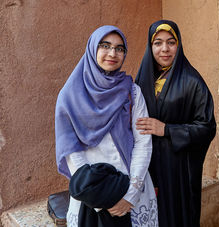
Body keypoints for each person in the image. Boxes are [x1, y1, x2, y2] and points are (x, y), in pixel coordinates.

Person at [55, 25, 158, 227]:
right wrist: (99, 196)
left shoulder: (132, 92)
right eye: (105, 46)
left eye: (120, 48)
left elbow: (143, 143)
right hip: (90, 196)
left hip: (132, 191)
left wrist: (130, 195)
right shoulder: (69, 96)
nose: (113, 53)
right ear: (93, 49)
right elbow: (71, 151)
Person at [135, 20, 216, 227]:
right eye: (158, 43)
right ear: (150, 46)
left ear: (178, 46)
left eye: (171, 42)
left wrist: (167, 129)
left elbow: (207, 127)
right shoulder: (141, 81)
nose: (165, 49)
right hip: (146, 167)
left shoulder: (192, 81)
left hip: (178, 170)